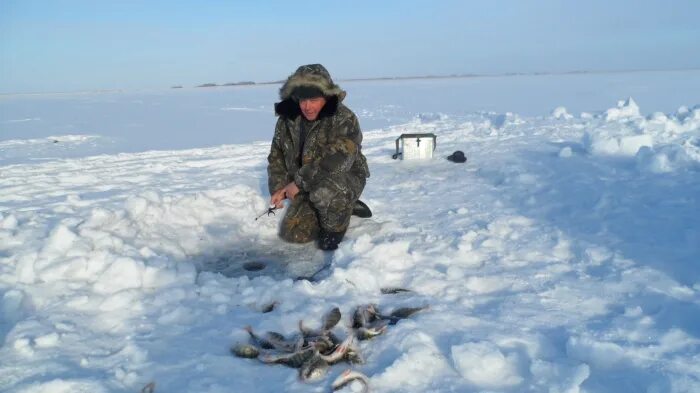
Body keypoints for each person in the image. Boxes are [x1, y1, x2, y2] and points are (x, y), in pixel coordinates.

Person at [267, 64, 370, 250]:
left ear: (327, 96)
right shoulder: (287, 120)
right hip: (306, 182)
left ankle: (336, 228)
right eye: (302, 100)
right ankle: (341, 207)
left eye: (313, 100)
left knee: (324, 193)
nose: (307, 106)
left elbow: (335, 162)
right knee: (295, 234)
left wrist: (297, 183)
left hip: (340, 177)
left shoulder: (344, 118)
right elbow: (276, 156)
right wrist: (278, 187)